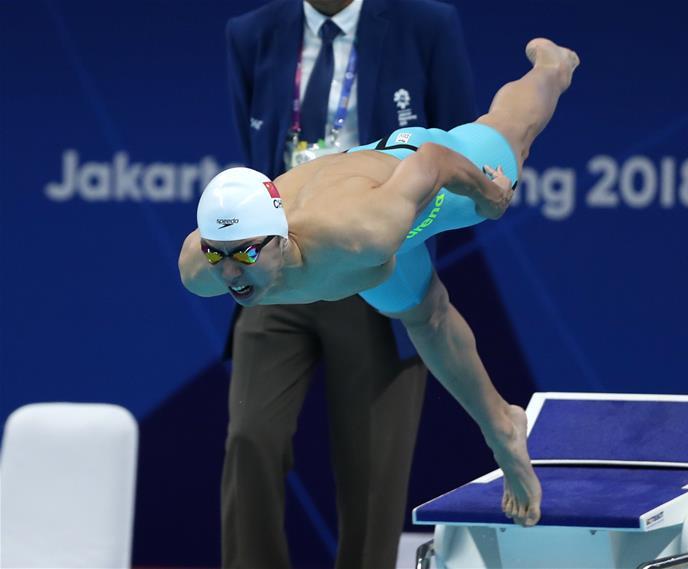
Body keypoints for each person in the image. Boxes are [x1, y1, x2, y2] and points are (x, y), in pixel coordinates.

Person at [181, 37, 580, 528]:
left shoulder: (361, 233)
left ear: (281, 238)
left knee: (508, 136)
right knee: (424, 315)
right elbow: (224, 250)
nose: (230, 274)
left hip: (407, 174)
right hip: (351, 223)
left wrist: (488, 194)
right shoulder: (201, 271)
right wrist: (228, 250)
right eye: (218, 254)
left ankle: (552, 68)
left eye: (245, 253)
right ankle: (504, 426)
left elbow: (432, 162)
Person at [220, 0, 477, 567]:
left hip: (375, 270)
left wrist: (403, 250)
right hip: (280, 273)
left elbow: (459, 145)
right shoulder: (252, 35)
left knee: (372, 472)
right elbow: (253, 156)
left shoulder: (426, 26)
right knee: (250, 438)